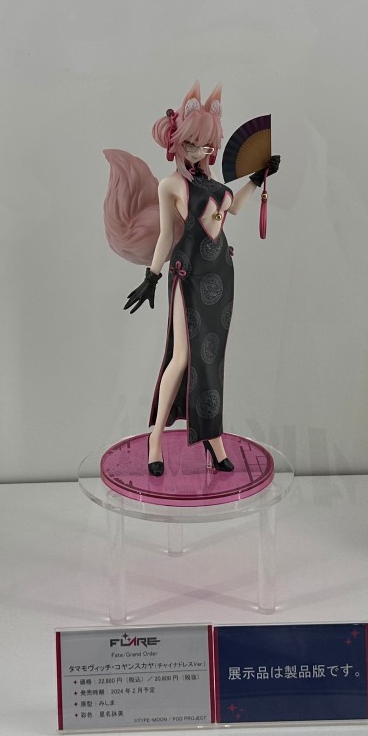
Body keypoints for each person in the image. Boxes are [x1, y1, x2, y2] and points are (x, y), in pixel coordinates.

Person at [103, 83, 278, 475]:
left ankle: (213, 438)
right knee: (182, 356)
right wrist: (152, 276)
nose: (202, 150)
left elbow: (233, 211)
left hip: (222, 274)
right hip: (190, 274)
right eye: (193, 144)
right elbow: (167, 235)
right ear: (177, 144)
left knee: (212, 357)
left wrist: (256, 179)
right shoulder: (171, 185)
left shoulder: (215, 186)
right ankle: (156, 438)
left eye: (207, 144)